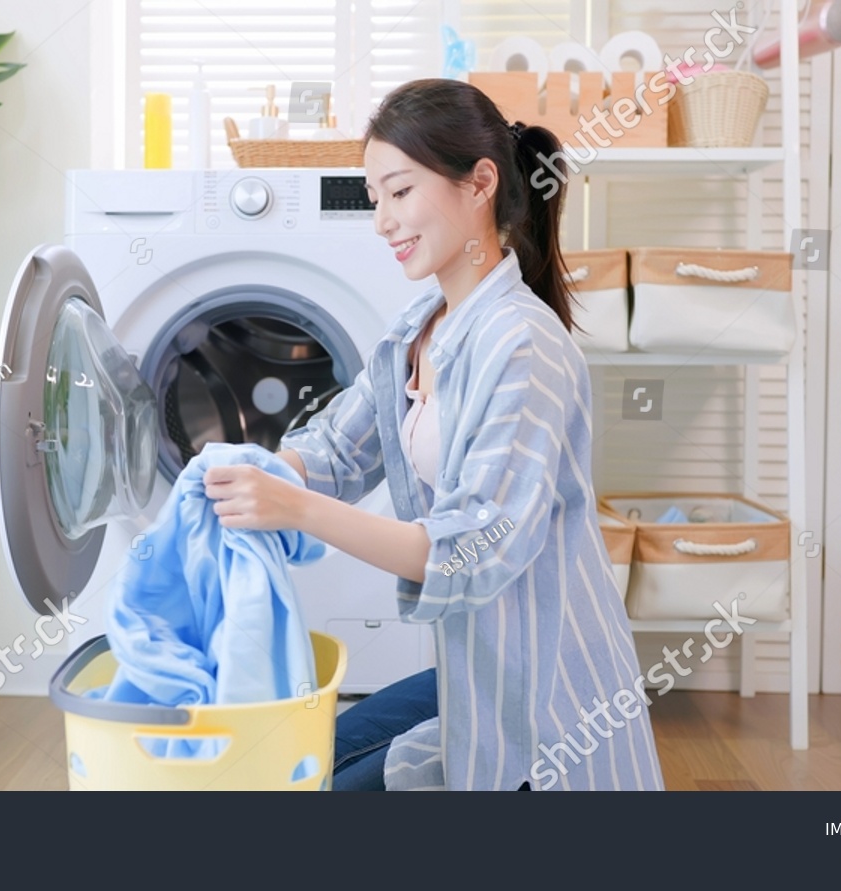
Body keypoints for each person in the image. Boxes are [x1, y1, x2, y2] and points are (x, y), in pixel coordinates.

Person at [201, 78, 663, 792]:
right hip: (477, 666)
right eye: (374, 197)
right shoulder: (418, 329)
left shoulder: (524, 346)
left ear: (479, 184)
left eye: (400, 191)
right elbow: (336, 451)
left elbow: (471, 549)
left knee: (312, 785)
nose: (382, 221)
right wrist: (244, 476)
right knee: (302, 760)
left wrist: (292, 507)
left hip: (550, 699)